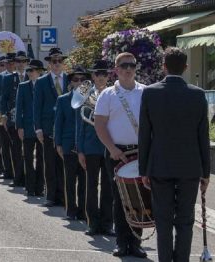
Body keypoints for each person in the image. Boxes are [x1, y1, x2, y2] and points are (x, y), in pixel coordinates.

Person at [139, 47, 210, 262]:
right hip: (189, 166)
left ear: (164, 66)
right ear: (186, 67)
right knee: (185, 220)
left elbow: (144, 134)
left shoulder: (150, 93)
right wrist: (205, 172)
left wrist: (144, 169)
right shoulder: (197, 95)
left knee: (163, 220)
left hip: (160, 165)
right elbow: (203, 137)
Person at [94, 52, 148, 258]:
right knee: (120, 198)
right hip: (117, 152)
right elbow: (99, 126)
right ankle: (121, 242)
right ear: (116, 69)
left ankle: (136, 242)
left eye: (132, 65)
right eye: (124, 65)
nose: (128, 69)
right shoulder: (107, 94)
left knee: (140, 198)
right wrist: (112, 149)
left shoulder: (146, 92)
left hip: (140, 151)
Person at [76, 60, 114, 236]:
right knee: (91, 186)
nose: (101, 77)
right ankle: (93, 223)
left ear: (108, 76)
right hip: (90, 147)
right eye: (97, 74)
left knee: (108, 187)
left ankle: (107, 224)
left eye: (104, 74)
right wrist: (80, 150)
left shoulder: (113, 94)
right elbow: (80, 124)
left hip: (109, 147)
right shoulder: (84, 93)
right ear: (92, 76)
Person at [33, 48, 69, 207]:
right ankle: (51, 195)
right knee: (50, 162)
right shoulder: (42, 81)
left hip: (66, 129)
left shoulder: (69, 79)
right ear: (49, 64)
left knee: (64, 163)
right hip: (48, 128)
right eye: (54, 61)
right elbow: (36, 106)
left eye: (59, 61)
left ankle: (64, 195)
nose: (56, 64)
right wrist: (38, 129)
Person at [55, 66, 89, 221]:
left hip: (86, 146)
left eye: (83, 79)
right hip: (69, 145)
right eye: (76, 79)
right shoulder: (63, 100)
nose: (80, 82)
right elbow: (58, 123)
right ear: (71, 82)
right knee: (69, 180)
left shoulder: (91, 99)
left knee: (84, 180)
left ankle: (83, 210)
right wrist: (58, 144)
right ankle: (71, 209)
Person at [16, 59, 46, 196]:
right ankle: (30, 186)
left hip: (42, 127)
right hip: (27, 127)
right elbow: (19, 108)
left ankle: (39, 187)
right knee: (28, 157)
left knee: (41, 158)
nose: (29, 73)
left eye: (32, 70)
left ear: (39, 72)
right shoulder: (23, 86)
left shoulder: (45, 85)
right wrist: (19, 126)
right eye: (28, 70)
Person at [1, 51, 28, 187]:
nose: (20, 64)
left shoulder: (32, 76)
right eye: (18, 61)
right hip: (13, 118)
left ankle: (30, 178)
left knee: (28, 151)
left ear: (27, 63)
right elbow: (3, 98)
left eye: (23, 61)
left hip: (29, 120)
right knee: (16, 149)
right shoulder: (9, 78)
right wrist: (4, 116)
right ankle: (18, 177)